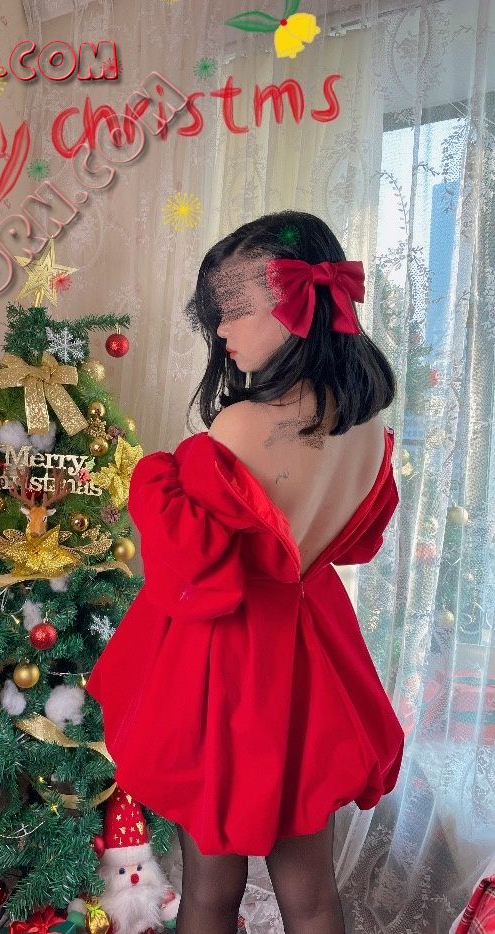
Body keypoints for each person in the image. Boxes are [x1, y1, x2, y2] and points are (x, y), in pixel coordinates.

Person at [84, 210, 403, 934]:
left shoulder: (239, 427)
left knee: (210, 891)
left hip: (226, 666)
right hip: (311, 660)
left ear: (293, 310)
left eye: (232, 310)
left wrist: (153, 482)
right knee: (312, 895)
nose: (221, 331)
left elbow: (190, 570)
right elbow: (353, 543)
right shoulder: (367, 427)